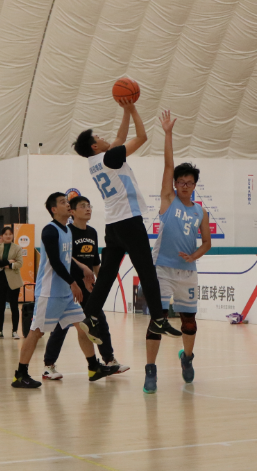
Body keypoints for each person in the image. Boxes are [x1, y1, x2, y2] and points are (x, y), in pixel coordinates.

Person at [72, 101, 181, 342]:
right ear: (94, 145)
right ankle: (158, 318)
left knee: (107, 275)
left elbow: (120, 138)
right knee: (147, 271)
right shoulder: (110, 157)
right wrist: (132, 109)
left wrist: (125, 110)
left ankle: (90, 316)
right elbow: (141, 137)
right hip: (129, 221)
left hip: (112, 225)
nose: (104, 138)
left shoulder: (94, 162)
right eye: (98, 137)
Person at [12, 193, 118, 388]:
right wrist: (73, 283)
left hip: (65, 294)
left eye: (67, 201)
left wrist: (82, 272)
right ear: (54, 209)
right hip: (49, 292)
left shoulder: (67, 231)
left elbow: (68, 260)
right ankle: (20, 374)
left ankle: (93, 367)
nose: (67, 204)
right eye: (63, 202)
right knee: (36, 332)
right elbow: (56, 262)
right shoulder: (50, 230)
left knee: (82, 326)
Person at [143, 110, 211, 393]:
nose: (184, 185)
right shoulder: (169, 200)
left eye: (189, 182)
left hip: (187, 272)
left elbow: (207, 242)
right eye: (180, 182)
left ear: (194, 185)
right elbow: (168, 165)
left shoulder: (200, 212)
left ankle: (188, 357)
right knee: (157, 319)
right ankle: (150, 369)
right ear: (175, 184)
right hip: (162, 267)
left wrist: (195, 256)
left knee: (189, 322)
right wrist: (168, 133)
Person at [42, 197, 128, 378]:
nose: (88, 209)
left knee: (99, 321)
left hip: (88, 288)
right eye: (83, 206)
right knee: (61, 326)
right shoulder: (67, 231)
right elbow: (64, 257)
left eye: (89, 206)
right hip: (70, 285)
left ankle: (109, 360)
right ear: (72, 212)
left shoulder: (92, 232)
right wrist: (81, 269)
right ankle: (48, 365)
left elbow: (95, 261)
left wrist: (102, 284)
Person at [0, 226, 23, 340]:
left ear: (13, 235)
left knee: (14, 306)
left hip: (14, 279)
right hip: (1, 278)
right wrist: (9, 261)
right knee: (1, 305)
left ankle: (15, 331)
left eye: (10, 234)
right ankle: (0, 331)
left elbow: (19, 263)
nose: (8, 236)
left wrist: (8, 265)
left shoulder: (17, 248)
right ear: (2, 236)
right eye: (6, 234)